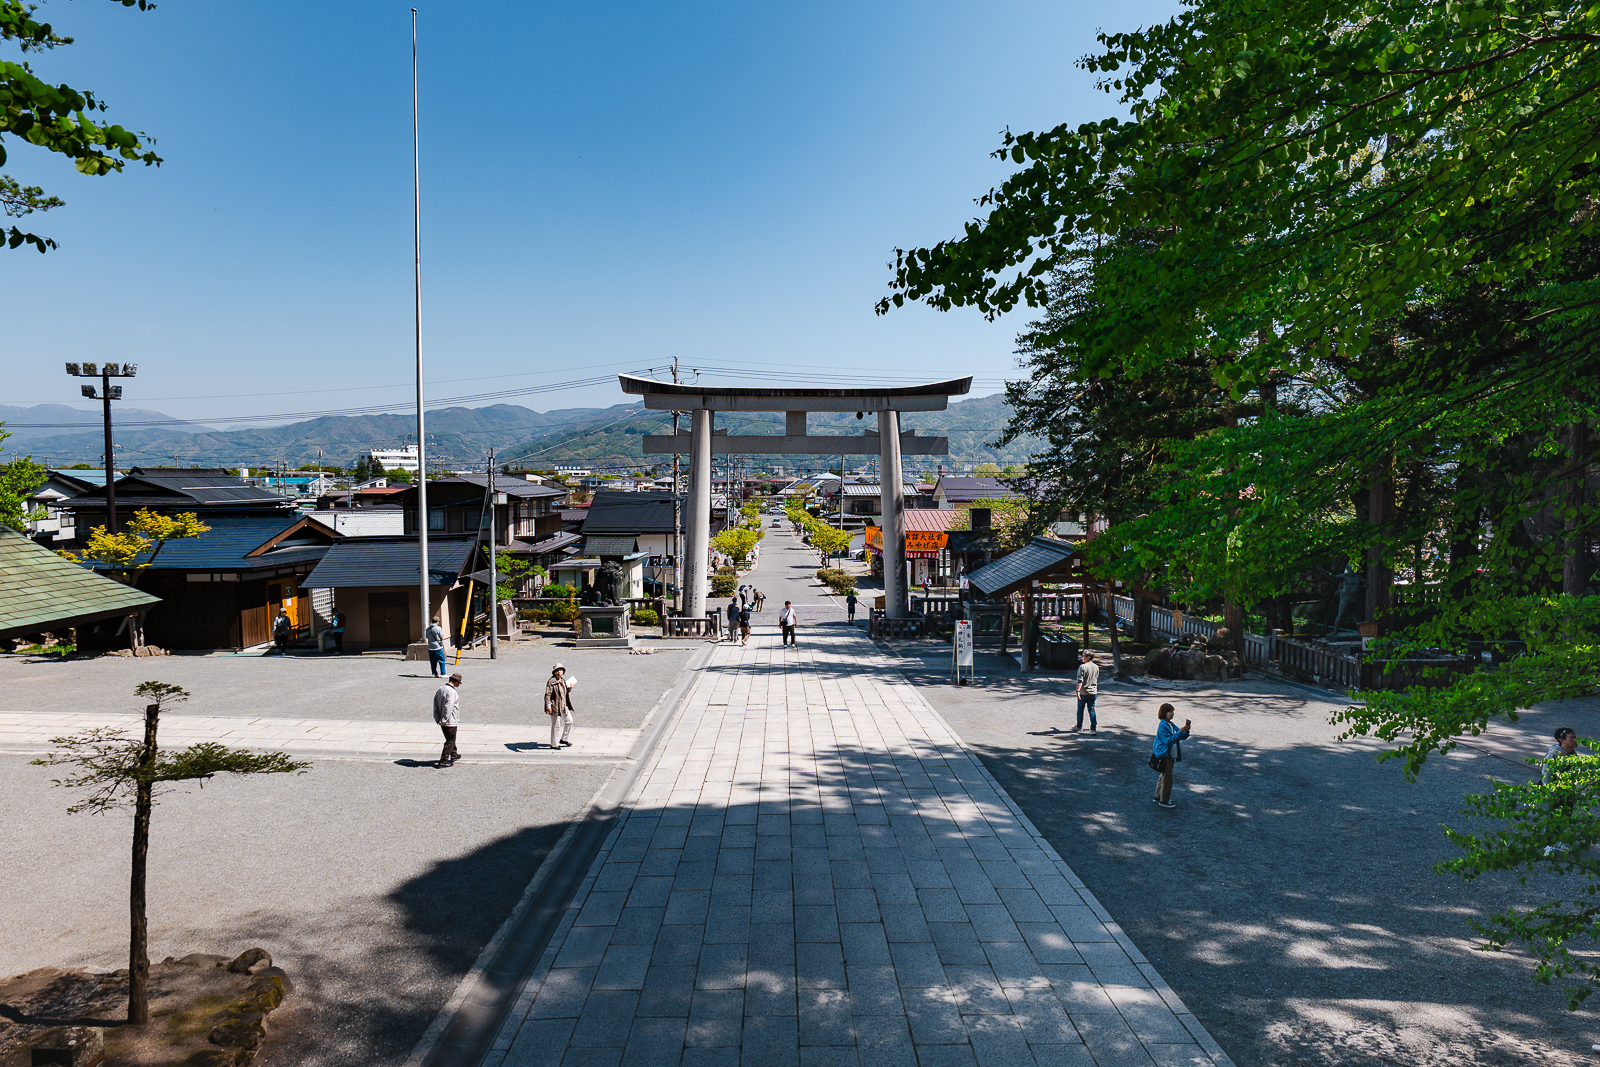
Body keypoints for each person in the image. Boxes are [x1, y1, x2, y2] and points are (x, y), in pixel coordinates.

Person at [1151, 703, 1191, 808]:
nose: (1172, 714)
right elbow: (1169, 740)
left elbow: (1179, 735)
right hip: (1165, 754)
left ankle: (1157, 796)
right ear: (1164, 713)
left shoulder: (1170, 724)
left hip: (1170, 754)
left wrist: (1185, 731)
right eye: (1170, 711)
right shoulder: (1163, 726)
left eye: (1172, 711)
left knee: (1163, 775)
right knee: (1167, 778)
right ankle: (1164, 800)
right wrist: (1181, 732)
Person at [434, 672, 462, 768]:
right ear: (456, 682)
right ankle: (443, 760)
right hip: (450, 720)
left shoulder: (440, 689)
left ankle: (454, 754)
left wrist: (437, 717)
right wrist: (445, 719)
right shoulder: (452, 692)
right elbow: (448, 707)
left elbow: (435, 704)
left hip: (442, 719)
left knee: (450, 738)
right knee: (450, 740)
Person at [544, 663, 575, 749]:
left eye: (561, 670)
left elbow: (564, 693)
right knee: (556, 726)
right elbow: (547, 694)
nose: (559, 672)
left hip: (563, 706)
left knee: (569, 721)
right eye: (557, 670)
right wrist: (548, 705)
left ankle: (564, 739)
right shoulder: (551, 682)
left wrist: (570, 688)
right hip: (555, 706)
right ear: (554, 672)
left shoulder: (563, 680)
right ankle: (554, 744)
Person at [1073, 650, 1100, 733]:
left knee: (1080, 710)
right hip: (1093, 692)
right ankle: (1093, 728)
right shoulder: (1096, 667)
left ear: (1088, 657)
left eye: (1083, 656)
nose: (1082, 658)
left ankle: (1079, 726)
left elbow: (1079, 680)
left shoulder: (1082, 667)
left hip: (1083, 692)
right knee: (1091, 710)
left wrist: (1077, 691)